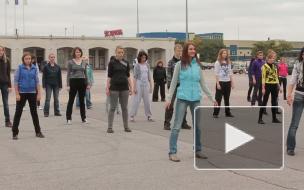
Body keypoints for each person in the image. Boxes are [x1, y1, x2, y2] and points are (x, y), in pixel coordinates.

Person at [165, 42, 218, 162]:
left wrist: (212, 98)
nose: (193, 51)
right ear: (185, 51)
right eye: (190, 49)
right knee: (177, 126)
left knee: (198, 127)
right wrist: (169, 99)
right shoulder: (179, 65)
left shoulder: (197, 65)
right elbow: (173, 83)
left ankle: (197, 150)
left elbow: (203, 83)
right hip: (183, 98)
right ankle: (172, 152)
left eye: (194, 49)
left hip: (195, 99)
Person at [12, 52, 44, 140]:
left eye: (29, 59)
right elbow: (16, 81)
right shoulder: (20, 68)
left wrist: (39, 93)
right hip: (22, 92)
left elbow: (37, 81)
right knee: (18, 113)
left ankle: (38, 131)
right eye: (26, 59)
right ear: (23, 59)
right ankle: (15, 132)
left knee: (34, 113)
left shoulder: (34, 68)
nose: (28, 60)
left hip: (32, 92)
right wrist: (17, 94)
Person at [164, 44, 191, 130]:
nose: (180, 52)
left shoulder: (184, 62)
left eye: (181, 51)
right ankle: (167, 123)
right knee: (170, 105)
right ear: (175, 51)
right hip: (174, 86)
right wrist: (169, 86)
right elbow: (169, 75)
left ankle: (183, 122)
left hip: (182, 86)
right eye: (178, 51)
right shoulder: (171, 62)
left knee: (183, 105)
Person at [106, 45, 132, 133]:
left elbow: (128, 75)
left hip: (124, 87)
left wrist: (131, 87)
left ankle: (126, 126)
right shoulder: (112, 63)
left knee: (124, 107)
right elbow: (109, 76)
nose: (121, 54)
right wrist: (107, 87)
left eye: (122, 52)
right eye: (119, 52)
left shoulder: (126, 62)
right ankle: (110, 127)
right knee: (112, 107)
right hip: (114, 87)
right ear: (116, 53)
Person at [66, 47, 91, 125]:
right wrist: (68, 85)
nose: (78, 53)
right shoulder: (70, 62)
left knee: (82, 101)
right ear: (74, 53)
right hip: (73, 81)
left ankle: (83, 118)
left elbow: (86, 74)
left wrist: (88, 83)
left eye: (79, 52)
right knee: (71, 100)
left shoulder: (84, 63)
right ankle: (69, 118)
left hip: (82, 81)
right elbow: (68, 74)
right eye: (77, 52)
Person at [286, 47, 304, 156]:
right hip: (299, 95)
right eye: (303, 54)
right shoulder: (297, 66)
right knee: (294, 124)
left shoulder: (297, 65)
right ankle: (290, 148)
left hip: (298, 95)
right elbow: (292, 81)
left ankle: (290, 148)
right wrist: (289, 95)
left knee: (294, 124)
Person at [258, 50, 282, 124]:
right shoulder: (264, 67)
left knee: (274, 102)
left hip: (274, 85)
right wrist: (263, 88)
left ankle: (274, 118)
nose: (272, 60)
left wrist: (279, 87)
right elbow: (263, 77)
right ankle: (260, 118)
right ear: (267, 59)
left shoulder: (275, 66)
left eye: (273, 58)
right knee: (264, 101)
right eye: (270, 58)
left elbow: (276, 77)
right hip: (267, 84)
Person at [130, 51, 154, 122]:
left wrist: (151, 86)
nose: (144, 59)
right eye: (142, 57)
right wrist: (134, 87)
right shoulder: (137, 66)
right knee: (136, 100)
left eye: (145, 57)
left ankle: (149, 115)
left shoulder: (147, 65)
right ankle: (132, 115)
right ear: (139, 57)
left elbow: (149, 76)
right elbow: (135, 77)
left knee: (147, 101)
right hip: (139, 84)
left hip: (146, 84)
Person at [213, 49, 234, 118]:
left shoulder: (228, 62)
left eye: (226, 53)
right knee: (218, 98)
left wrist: (232, 82)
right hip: (221, 82)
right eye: (223, 53)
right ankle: (215, 113)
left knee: (227, 98)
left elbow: (230, 73)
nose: (225, 54)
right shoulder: (218, 62)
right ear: (221, 54)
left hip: (227, 82)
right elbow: (216, 74)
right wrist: (218, 83)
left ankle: (227, 112)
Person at [0, 45, 13, 127]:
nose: (1, 52)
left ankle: (7, 121)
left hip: (4, 84)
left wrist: (9, 85)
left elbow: (8, 74)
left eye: (2, 50)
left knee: (5, 102)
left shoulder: (6, 60)